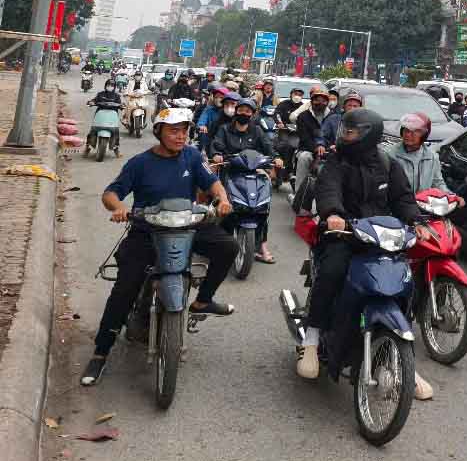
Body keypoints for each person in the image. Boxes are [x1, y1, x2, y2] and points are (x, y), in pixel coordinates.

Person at [80, 107, 237, 387]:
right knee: (124, 288)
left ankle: (203, 300)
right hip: (147, 230)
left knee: (228, 247)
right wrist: (118, 208)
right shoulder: (140, 163)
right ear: (159, 132)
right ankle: (101, 352)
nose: (180, 136)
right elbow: (111, 193)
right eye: (173, 131)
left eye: (184, 131)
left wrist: (222, 199)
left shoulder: (191, 155)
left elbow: (212, 182)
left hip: (186, 225)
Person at [298, 108, 435, 400]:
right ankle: (311, 340)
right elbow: (328, 189)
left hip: (380, 238)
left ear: (367, 134)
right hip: (343, 234)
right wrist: (333, 214)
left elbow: (402, 199)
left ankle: (403, 355)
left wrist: (417, 222)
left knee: (403, 282)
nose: (345, 136)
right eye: (344, 131)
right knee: (333, 271)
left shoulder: (388, 163)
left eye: (351, 132)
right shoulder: (336, 161)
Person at [210, 98, 282, 263]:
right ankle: (213, 237)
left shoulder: (257, 131)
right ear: (236, 111)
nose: (244, 113)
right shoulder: (224, 129)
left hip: (254, 172)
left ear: (253, 113)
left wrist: (276, 158)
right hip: (229, 170)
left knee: (262, 206)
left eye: (248, 111)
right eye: (241, 110)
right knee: (216, 199)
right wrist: (216, 154)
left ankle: (262, 245)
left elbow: (268, 148)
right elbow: (216, 145)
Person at [388, 112, 448, 191]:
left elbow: (438, 183)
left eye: (415, 131)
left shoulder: (431, 157)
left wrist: (451, 197)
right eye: (406, 130)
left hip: (423, 202)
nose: (408, 134)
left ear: (424, 135)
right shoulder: (390, 155)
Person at [292, 86, 332, 188]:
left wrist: (326, 148)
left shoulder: (333, 116)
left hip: (328, 150)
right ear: (312, 101)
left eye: (323, 101)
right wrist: (316, 148)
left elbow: (334, 135)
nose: (320, 103)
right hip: (307, 149)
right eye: (317, 100)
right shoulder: (303, 116)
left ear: (327, 102)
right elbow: (304, 138)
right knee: (304, 157)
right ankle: (299, 194)